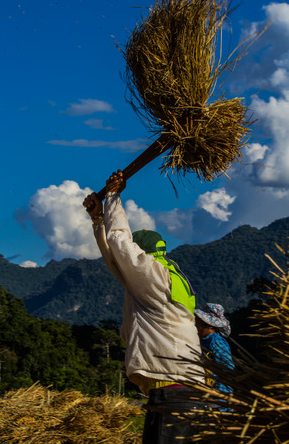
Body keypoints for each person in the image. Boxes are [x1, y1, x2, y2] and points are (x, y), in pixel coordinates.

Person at [83, 170, 206, 443]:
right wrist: (97, 220)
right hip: (178, 391)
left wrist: (113, 197)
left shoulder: (153, 277)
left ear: (142, 254)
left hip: (173, 392)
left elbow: (120, 244)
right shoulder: (167, 278)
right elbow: (117, 261)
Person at [195, 303, 234, 394]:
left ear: (209, 325)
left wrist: (220, 396)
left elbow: (226, 370)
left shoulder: (216, 342)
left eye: (198, 324)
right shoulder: (203, 341)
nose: (196, 327)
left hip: (218, 394)